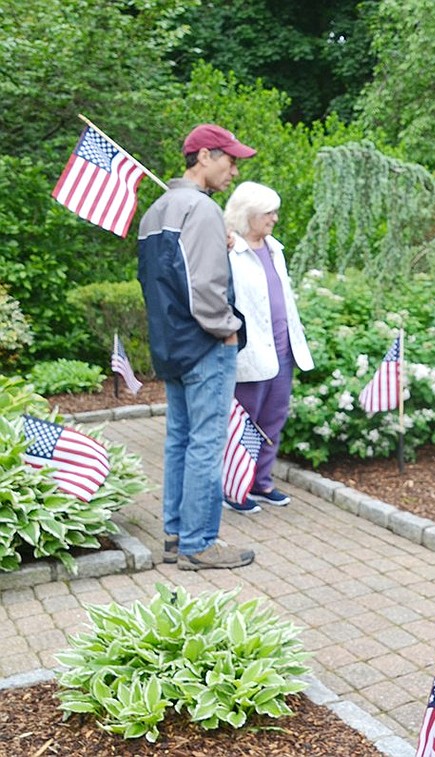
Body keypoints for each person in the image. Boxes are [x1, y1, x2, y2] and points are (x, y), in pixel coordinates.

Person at [137, 124, 258, 570]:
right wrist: (226, 327)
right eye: (230, 159)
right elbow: (204, 285)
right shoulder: (201, 210)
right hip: (205, 346)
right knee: (207, 444)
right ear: (204, 156)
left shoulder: (157, 210)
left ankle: (175, 536)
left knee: (181, 441)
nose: (233, 169)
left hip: (171, 346)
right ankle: (199, 544)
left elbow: (159, 280)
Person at [223, 181, 314, 512]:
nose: (274, 218)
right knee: (247, 420)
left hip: (283, 349)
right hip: (250, 350)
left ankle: (262, 482)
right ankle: (235, 488)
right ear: (248, 215)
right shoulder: (230, 250)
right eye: (268, 212)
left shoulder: (275, 248)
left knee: (274, 417)